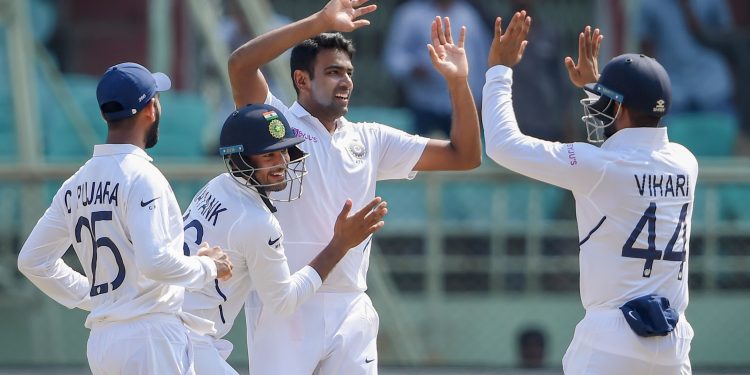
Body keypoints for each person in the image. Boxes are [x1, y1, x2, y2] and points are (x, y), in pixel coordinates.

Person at [227, 0, 482, 373]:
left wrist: (458, 83)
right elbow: (240, 64)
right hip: (286, 303)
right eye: (332, 72)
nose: (345, 80)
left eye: (348, 72)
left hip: (352, 305)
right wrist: (319, 21)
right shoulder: (275, 127)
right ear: (301, 80)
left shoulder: (371, 138)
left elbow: (465, 156)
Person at [483, 11, 696, 374]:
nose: (597, 109)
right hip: (672, 339)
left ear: (621, 108)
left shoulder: (598, 166)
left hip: (610, 337)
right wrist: (601, 88)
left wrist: (499, 71)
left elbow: (502, 145)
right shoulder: (685, 162)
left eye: (605, 102)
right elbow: (632, 137)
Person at [17, 62, 234, 375]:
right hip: (150, 337)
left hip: (104, 341)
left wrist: (100, 297)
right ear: (150, 109)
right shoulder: (143, 177)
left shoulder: (76, 183)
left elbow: (33, 260)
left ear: (106, 114)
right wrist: (209, 267)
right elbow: (154, 262)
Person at [181, 103, 388, 374]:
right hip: (186, 340)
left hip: (172, 327)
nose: (281, 163)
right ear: (237, 160)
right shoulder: (256, 221)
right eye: (268, 155)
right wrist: (340, 245)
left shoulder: (218, 186)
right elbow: (283, 302)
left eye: (283, 151)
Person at [383, 0, 490, 137]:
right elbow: (393, 57)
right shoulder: (411, 14)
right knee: (421, 157)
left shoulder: (469, 15)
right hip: (422, 107)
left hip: (462, 107)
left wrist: (481, 100)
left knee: (462, 156)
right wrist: (413, 68)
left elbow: (481, 60)